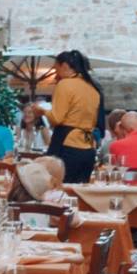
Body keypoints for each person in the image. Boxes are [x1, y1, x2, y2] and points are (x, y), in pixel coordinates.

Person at [47, 50, 102, 183]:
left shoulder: (65, 84)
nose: (56, 74)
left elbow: (57, 118)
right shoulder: (93, 88)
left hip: (68, 143)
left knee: (60, 189)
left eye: (56, 69)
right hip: (88, 147)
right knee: (80, 192)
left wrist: (42, 111)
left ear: (64, 66)